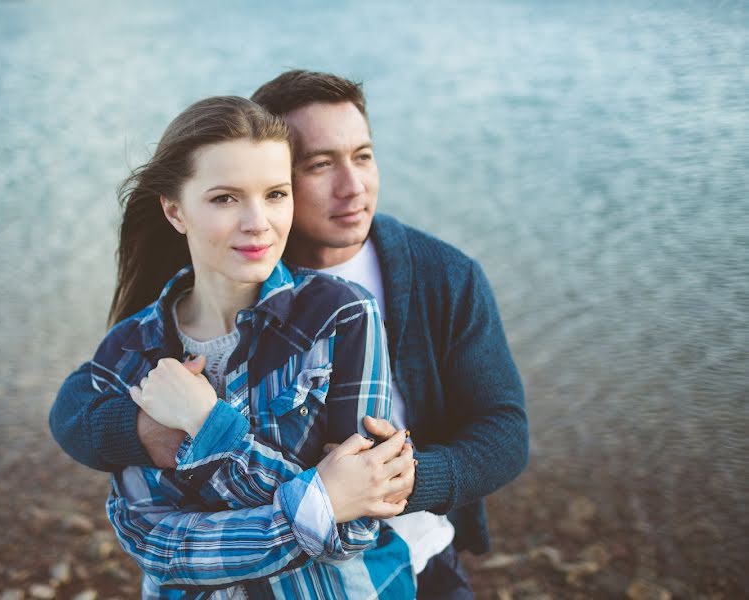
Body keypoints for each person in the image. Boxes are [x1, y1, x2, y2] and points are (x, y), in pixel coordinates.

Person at [50, 71, 529, 598]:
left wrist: (393, 481)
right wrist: (144, 428)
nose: (353, 186)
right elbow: (77, 409)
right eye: (320, 165)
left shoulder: (435, 278)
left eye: (363, 156)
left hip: (404, 557)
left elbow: (503, 430)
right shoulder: (226, 265)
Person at [84, 95, 417, 598]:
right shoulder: (128, 353)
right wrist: (320, 501)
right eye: (225, 198)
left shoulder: (343, 316)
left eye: (276, 194)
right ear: (175, 211)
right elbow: (159, 548)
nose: (257, 221)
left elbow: (355, 530)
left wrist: (206, 424)